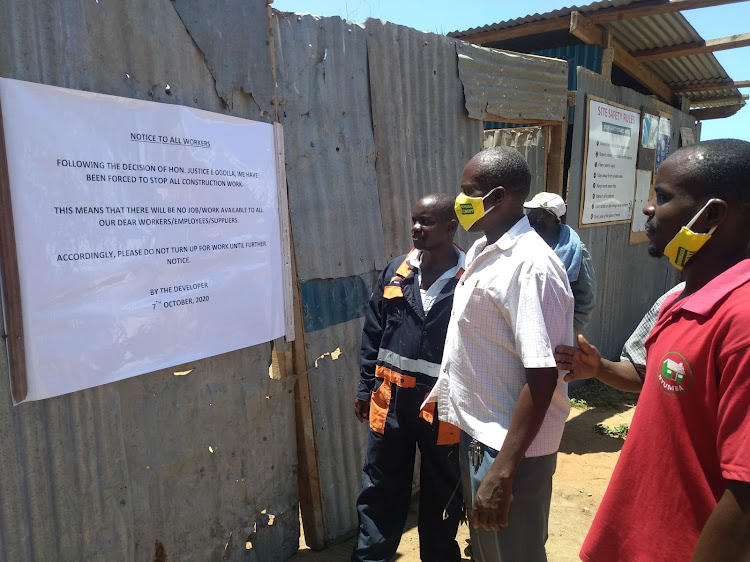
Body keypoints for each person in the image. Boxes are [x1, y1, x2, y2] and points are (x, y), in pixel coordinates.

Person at [556, 139, 750, 561]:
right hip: (634, 537)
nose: (648, 209)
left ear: (712, 214)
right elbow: (658, 379)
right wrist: (602, 369)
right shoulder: (680, 297)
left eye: (662, 197)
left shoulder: (742, 319)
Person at [426, 146, 574, 561]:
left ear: (498, 197)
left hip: (513, 450)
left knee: (515, 554)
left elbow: (542, 376)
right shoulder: (480, 252)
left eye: (468, 191)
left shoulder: (530, 267)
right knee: (490, 551)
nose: (459, 201)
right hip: (481, 435)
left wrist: (505, 469)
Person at [352, 193, 466, 562]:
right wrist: (365, 387)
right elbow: (373, 332)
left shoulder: (471, 278)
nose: (417, 228)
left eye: (428, 222)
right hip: (392, 405)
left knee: (442, 492)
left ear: (451, 227)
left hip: (444, 407)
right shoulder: (397, 271)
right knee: (380, 487)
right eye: (415, 220)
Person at [524, 192, 596, 336]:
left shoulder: (574, 249)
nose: (531, 217)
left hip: (557, 332)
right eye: (531, 212)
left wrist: (569, 330)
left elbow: (586, 297)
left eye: (539, 213)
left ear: (555, 219)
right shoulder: (525, 241)